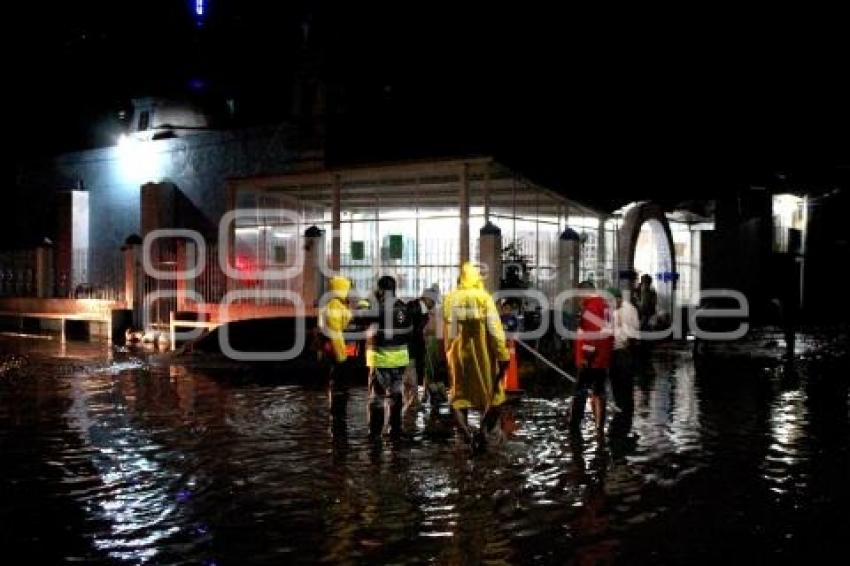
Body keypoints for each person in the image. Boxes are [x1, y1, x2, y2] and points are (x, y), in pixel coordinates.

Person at [442, 262, 510, 451]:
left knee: (458, 398)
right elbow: (495, 331)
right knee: (494, 396)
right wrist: (503, 355)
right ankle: (488, 437)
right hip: (484, 357)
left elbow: (449, 332)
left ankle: (465, 438)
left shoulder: (450, 299)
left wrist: (448, 355)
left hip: (458, 358)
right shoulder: (483, 298)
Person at [365, 275, 413, 438]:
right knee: (396, 395)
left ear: (380, 290)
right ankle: (395, 430)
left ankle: (375, 432)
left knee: (377, 397)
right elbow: (409, 332)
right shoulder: (403, 307)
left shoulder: (377, 307)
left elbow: (361, 319)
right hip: (399, 361)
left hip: (381, 359)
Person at [570, 281, 614, 436]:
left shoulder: (591, 307)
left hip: (592, 359)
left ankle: (575, 428)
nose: (578, 300)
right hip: (603, 357)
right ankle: (600, 428)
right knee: (599, 392)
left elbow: (592, 336)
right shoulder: (604, 305)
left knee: (581, 392)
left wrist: (585, 357)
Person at [319, 276, 354, 431]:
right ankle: (338, 418)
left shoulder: (336, 304)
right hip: (337, 354)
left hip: (337, 352)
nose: (350, 292)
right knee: (339, 384)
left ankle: (338, 415)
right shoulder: (334, 306)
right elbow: (336, 334)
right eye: (348, 288)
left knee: (339, 385)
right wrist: (342, 357)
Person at [608, 287, 639, 438]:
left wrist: (628, 354)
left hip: (625, 352)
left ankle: (626, 414)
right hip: (614, 352)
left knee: (625, 383)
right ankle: (620, 409)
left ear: (619, 298)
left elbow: (632, 337)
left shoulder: (629, 310)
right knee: (616, 382)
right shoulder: (612, 310)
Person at [403, 287, 437, 416]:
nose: (433, 304)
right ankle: (410, 407)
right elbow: (409, 330)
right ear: (427, 298)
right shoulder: (413, 308)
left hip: (414, 350)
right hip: (408, 350)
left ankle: (412, 404)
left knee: (412, 378)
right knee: (410, 379)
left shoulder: (423, 311)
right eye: (432, 301)